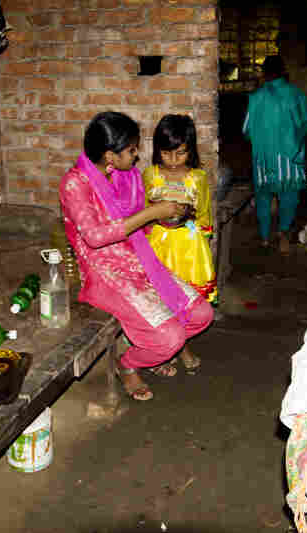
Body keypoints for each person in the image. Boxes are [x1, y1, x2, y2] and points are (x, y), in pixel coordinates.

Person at [59, 111, 213, 401]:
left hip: (139, 258)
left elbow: (138, 223)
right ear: (110, 155)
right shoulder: (75, 184)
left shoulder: (125, 175)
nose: (136, 155)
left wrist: (167, 217)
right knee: (170, 338)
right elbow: (95, 237)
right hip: (105, 271)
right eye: (131, 150)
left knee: (202, 314)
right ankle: (128, 364)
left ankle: (151, 354)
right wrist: (152, 212)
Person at [142, 114, 217, 306]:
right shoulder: (150, 175)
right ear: (157, 150)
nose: (173, 161)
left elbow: (203, 214)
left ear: (190, 150)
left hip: (189, 245)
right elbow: (144, 209)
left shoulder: (197, 178)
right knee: (160, 296)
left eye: (180, 153)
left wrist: (202, 244)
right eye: (166, 153)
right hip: (158, 243)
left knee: (188, 297)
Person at [243, 54, 307, 254]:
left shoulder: (256, 98)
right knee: (289, 198)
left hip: (263, 160)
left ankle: (265, 238)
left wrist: (263, 137)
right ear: (284, 72)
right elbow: (306, 124)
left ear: (264, 73)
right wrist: (294, 138)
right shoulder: (296, 94)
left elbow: (246, 131)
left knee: (263, 199)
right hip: (290, 159)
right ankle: (283, 235)